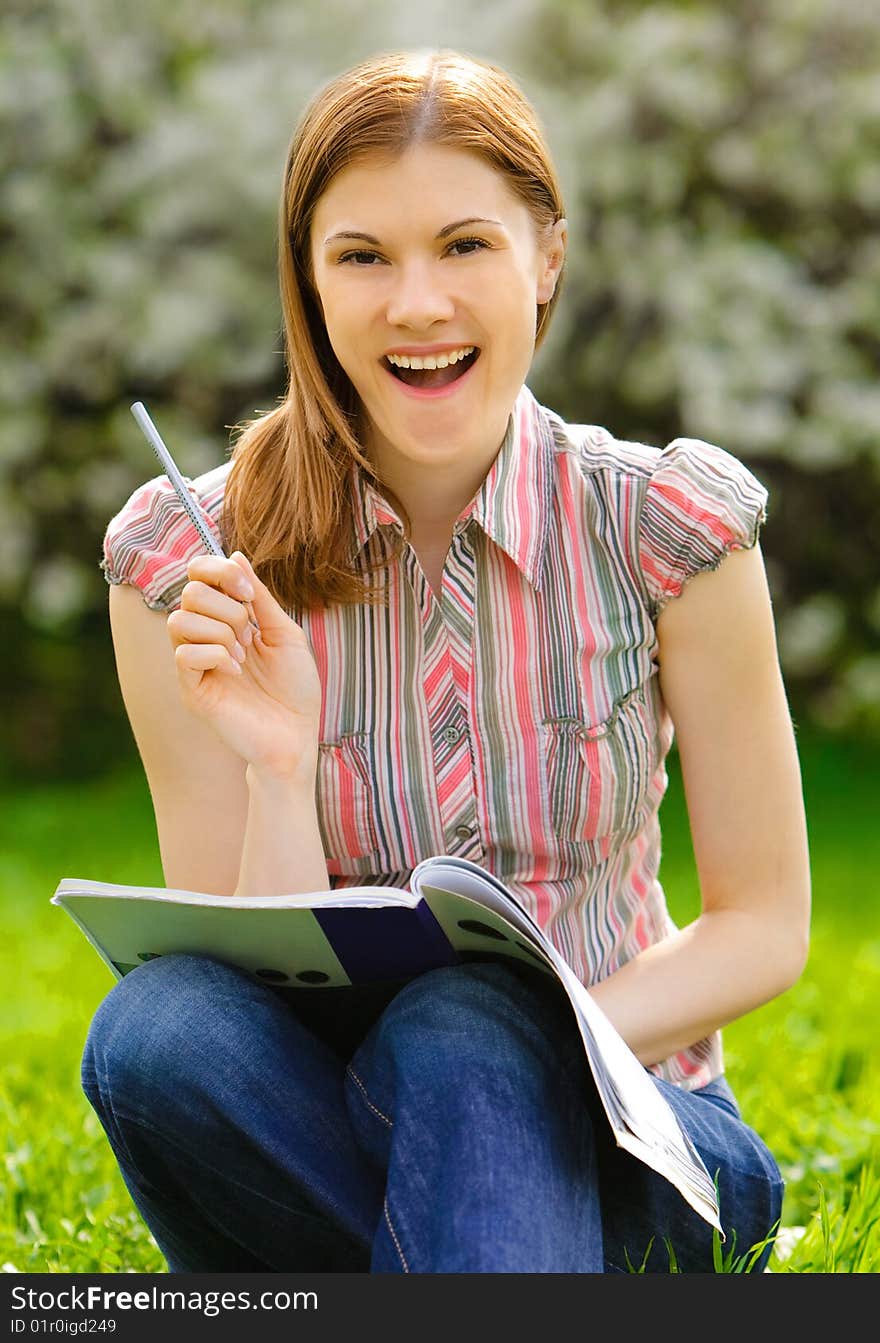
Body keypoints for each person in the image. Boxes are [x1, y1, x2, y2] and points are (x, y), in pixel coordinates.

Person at [81, 48, 811, 1274]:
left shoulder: (665, 528)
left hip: (641, 1121)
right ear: (308, 284)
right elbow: (251, 986)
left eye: (464, 245)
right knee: (158, 1030)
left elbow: (765, 925)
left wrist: (552, 1033)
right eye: (361, 256)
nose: (415, 304)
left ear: (547, 260)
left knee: (469, 1022)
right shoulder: (191, 568)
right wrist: (275, 764)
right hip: (328, 1105)